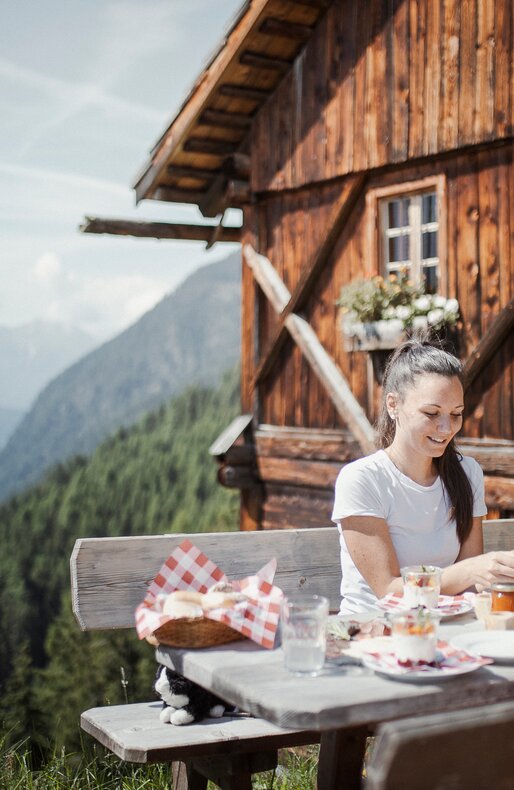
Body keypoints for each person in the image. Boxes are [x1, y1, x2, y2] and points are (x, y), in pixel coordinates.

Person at [332, 337, 514, 614]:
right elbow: (388, 590)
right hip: (375, 630)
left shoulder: (467, 472)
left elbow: (469, 584)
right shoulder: (362, 479)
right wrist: (473, 569)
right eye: (431, 413)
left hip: (445, 627)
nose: (446, 428)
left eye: (457, 414)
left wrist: (487, 571)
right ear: (393, 405)